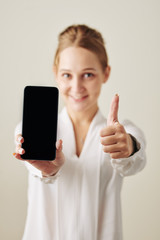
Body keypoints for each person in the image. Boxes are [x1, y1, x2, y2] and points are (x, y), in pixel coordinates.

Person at [13, 24, 146, 240]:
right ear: (56, 73)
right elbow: (36, 171)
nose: (76, 87)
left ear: (105, 73)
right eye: (67, 75)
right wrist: (47, 170)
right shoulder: (28, 130)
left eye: (88, 75)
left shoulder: (122, 133)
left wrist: (129, 146)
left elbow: (136, 159)